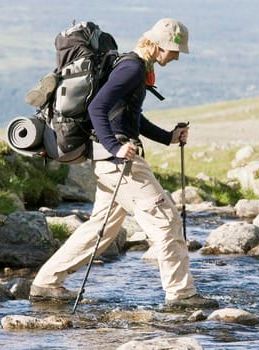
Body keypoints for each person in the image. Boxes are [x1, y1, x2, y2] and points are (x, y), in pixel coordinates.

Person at [29, 18, 217, 308]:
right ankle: (182, 295)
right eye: (174, 50)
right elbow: (97, 108)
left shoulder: (131, 66)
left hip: (110, 162)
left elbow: (130, 116)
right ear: (156, 45)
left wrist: (167, 137)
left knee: (99, 228)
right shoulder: (131, 68)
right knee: (166, 222)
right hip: (121, 164)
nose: (177, 56)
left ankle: (46, 283)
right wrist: (116, 147)